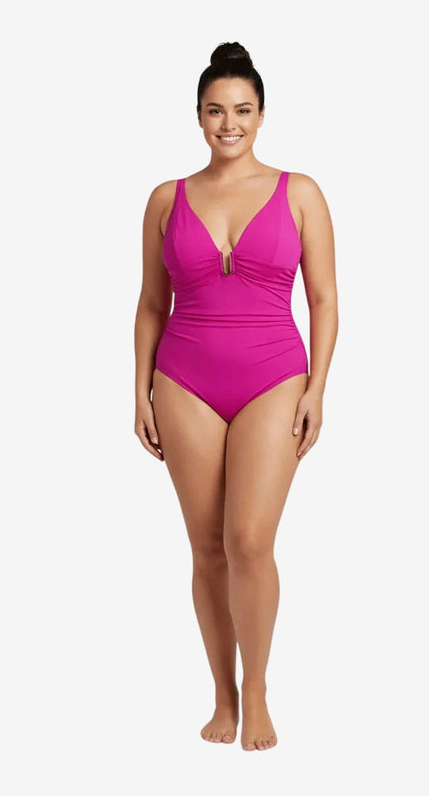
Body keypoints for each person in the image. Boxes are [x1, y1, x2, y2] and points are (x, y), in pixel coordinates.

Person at [134, 41, 338, 752]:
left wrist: (317, 387)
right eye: (216, 111)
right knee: (206, 548)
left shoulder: (300, 192)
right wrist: (139, 391)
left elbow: (323, 298)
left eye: (243, 110)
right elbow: (150, 304)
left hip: (274, 378)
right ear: (197, 117)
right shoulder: (166, 199)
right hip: (182, 379)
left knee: (249, 541)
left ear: (261, 115)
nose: (230, 124)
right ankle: (221, 695)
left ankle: (257, 691)